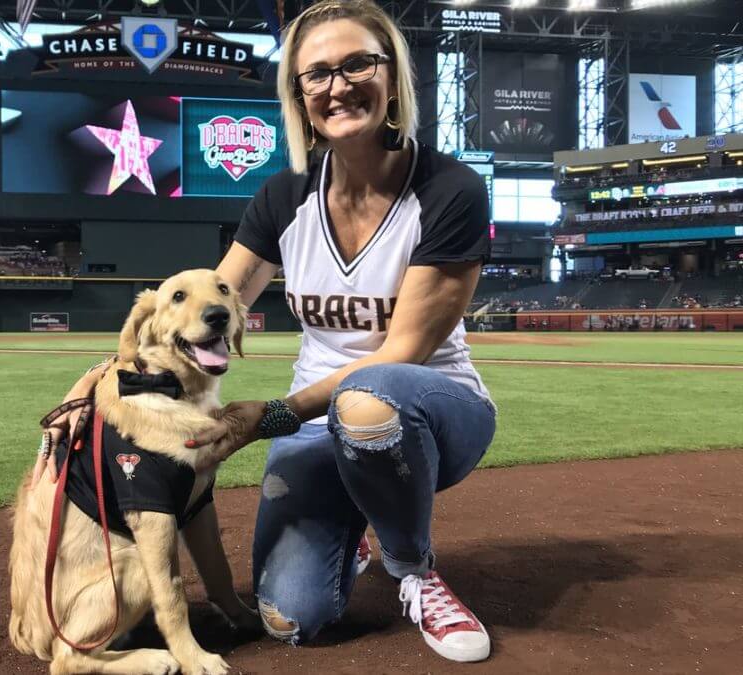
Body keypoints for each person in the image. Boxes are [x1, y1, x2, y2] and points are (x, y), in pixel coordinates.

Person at [41, 0, 496, 664]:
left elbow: (404, 352)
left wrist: (275, 413)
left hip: (428, 409)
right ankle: (358, 521)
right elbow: (206, 309)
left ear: (392, 76)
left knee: (367, 402)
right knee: (289, 616)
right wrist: (112, 378)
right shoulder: (285, 198)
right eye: (317, 74)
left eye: (358, 64)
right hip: (317, 424)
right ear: (299, 96)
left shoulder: (449, 190)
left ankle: (413, 568)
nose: (338, 85)